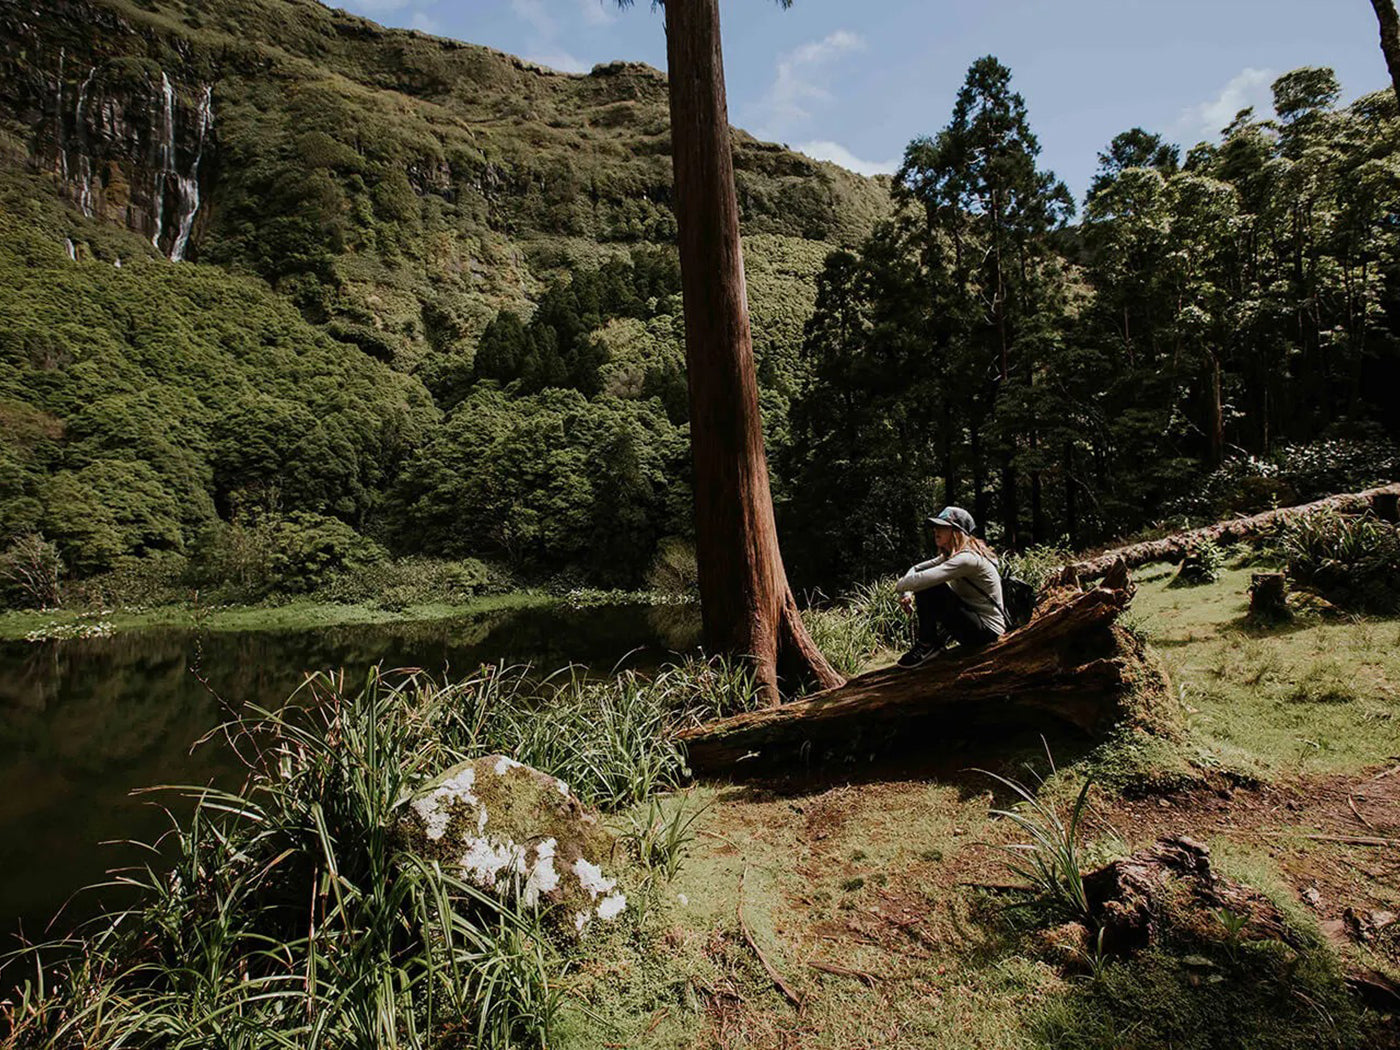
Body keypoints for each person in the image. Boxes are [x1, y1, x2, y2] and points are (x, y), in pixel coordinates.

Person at [893, 506, 1006, 668]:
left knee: (930, 587)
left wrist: (900, 586)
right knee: (927, 585)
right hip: (974, 624)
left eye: (942, 527)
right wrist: (906, 593)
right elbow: (917, 570)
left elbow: (919, 579)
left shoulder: (967, 559)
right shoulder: (951, 556)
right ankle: (930, 643)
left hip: (988, 632)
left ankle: (928, 645)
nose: (935, 531)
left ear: (956, 532)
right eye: (935, 527)